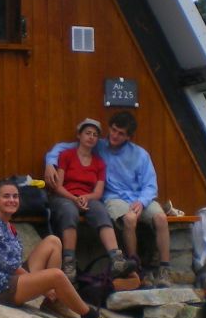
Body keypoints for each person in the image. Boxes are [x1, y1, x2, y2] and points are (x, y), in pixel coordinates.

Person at [0, 177, 123, 318]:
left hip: (12, 279)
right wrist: (46, 289)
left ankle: (52, 303)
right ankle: (91, 317)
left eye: (15, 196)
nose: (12, 200)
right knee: (56, 276)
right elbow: (12, 267)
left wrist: (43, 285)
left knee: (53, 241)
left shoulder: (7, 225)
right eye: (6, 196)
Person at [44, 111, 172, 287]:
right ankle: (134, 268)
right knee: (129, 219)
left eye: (121, 133)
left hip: (139, 197)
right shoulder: (99, 145)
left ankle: (165, 269)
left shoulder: (140, 155)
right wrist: (50, 163)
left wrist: (142, 202)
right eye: (113, 130)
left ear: (128, 137)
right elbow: (63, 148)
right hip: (114, 197)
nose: (115, 136)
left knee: (161, 218)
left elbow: (150, 185)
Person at [48, 118, 134, 282]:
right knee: (69, 212)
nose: (91, 137)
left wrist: (85, 198)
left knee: (101, 211)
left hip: (87, 198)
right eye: (87, 133)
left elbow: (98, 192)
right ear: (79, 135)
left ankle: (117, 260)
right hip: (65, 196)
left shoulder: (99, 163)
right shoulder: (66, 156)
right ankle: (69, 263)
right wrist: (74, 198)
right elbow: (57, 187)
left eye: (95, 135)